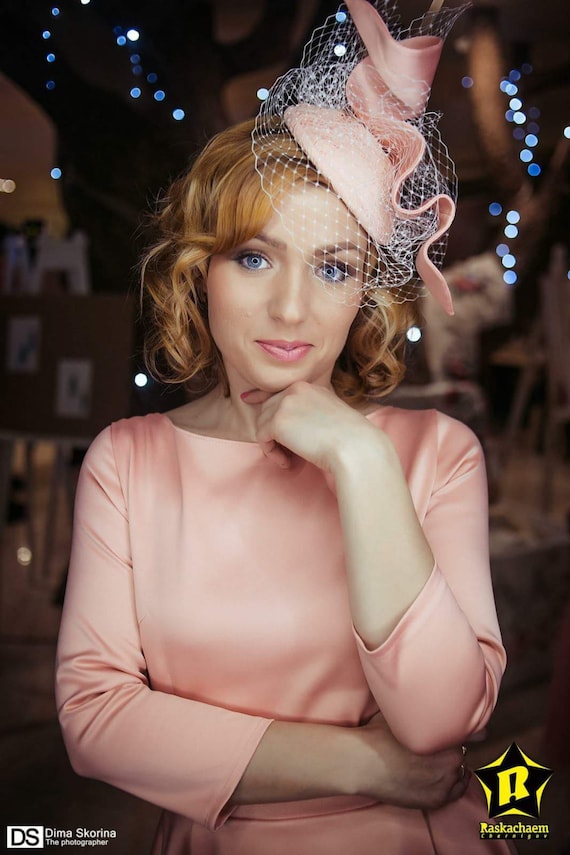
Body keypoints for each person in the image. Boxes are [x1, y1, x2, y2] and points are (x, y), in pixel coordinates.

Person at [56, 1, 512, 852]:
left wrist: (361, 458)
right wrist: (362, 763)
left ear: (364, 294)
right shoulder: (128, 462)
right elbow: (97, 719)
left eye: (333, 267)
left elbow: (441, 720)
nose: (292, 307)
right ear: (201, 270)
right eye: (255, 257)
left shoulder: (437, 454)